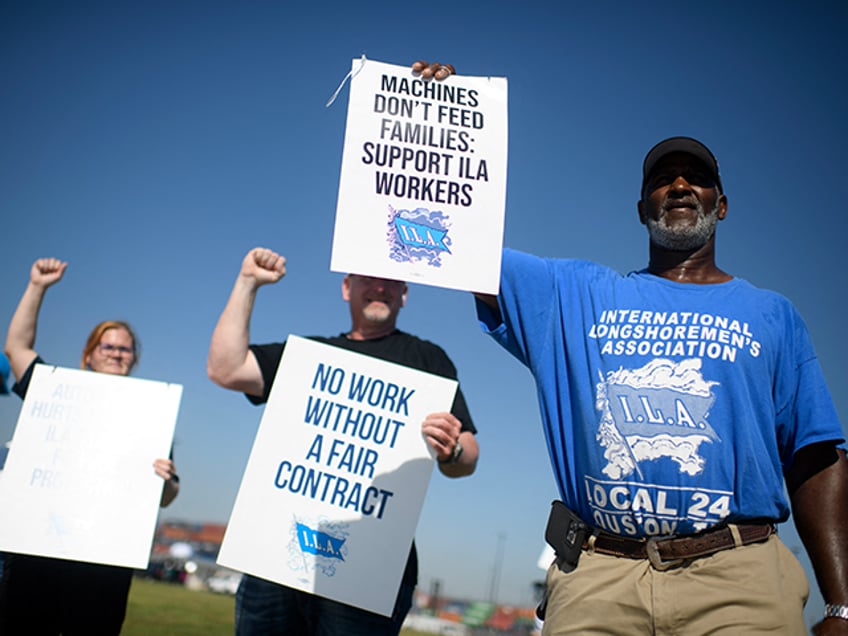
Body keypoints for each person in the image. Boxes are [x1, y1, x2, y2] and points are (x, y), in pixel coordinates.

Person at [472, 136, 847, 635]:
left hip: (738, 581)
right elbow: (461, 246)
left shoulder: (772, 315)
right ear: (641, 208)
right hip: (599, 580)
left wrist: (841, 607)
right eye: (661, 179)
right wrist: (438, 114)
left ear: (722, 204)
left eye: (695, 177)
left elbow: (816, 457)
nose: (678, 185)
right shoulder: (573, 296)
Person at [207, 247, 479, 636]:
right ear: (346, 288)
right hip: (276, 562)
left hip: (371, 575)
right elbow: (225, 368)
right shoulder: (309, 358)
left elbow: (468, 456)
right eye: (368, 277)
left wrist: (452, 448)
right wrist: (248, 282)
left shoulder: (428, 360)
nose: (380, 287)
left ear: (404, 294)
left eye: (391, 281)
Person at [0, 257, 180, 635]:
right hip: (39, 556)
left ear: (134, 358)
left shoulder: (151, 414)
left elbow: (166, 495)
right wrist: (37, 286)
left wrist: (166, 480)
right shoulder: (56, 393)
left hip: (105, 562)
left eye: (125, 349)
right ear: (89, 353)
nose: (116, 353)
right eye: (107, 346)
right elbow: (16, 347)